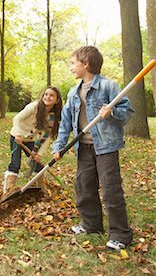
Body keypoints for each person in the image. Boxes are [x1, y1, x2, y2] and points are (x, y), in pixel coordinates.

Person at [52, 46, 134, 250]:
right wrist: (59, 146)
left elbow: (127, 111)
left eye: (73, 63)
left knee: (110, 189)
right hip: (83, 148)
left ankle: (120, 234)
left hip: (105, 146)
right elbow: (65, 123)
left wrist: (112, 112)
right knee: (84, 186)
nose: (71, 67)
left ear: (85, 64)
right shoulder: (73, 93)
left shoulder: (108, 87)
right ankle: (91, 224)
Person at [3, 86, 62, 193]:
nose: (47, 97)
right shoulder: (34, 106)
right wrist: (17, 134)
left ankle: (39, 189)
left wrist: (40, 153)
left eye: (51, 95)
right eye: (46, 94)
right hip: (17, 137)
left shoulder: (52, 117)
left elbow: (47, 136)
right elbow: (17, 118)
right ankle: (8, 189)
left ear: (57, 100)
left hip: (30, 140)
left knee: (37, 165)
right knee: (15, 163)